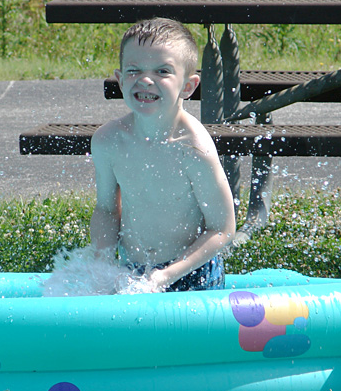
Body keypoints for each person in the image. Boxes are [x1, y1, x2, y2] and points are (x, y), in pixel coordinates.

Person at [89, 17, 236, 293]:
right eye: (133, 70)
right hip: (133, 269)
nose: (145, 80)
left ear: (188, 86)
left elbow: (223, 227)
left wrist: (167, 275)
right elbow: (107, 209)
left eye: (162, 71)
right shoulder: (109, 141)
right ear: (120, 80)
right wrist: (103, 264)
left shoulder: (194, 148)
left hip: (192, 274)